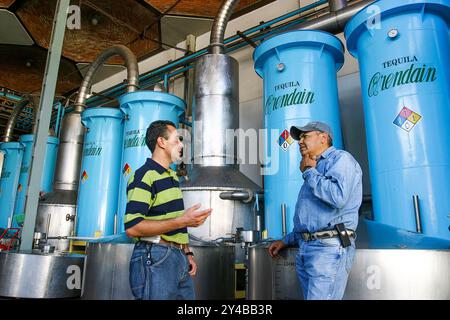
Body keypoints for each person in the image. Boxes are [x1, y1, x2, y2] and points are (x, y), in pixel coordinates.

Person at [268, 121, 362, 300]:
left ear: (323, 137)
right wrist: (286, 240)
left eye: (306, 136)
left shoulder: (341, 159)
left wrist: (309, 171)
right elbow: (312, 219)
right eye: (299, 138)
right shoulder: (315, 168)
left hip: (329, 248)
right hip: (308, 248)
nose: (300, 141)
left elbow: (337, 197)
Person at [124, 120, 212, 300]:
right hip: (155, 256)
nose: (181, 144)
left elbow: (175, 219)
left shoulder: (172, 176)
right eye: (177, 139)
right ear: (161, 142)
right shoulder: (144, 175)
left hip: (178, 258)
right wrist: (183, 221)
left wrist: (186, 252)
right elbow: (132, 227)